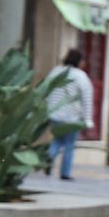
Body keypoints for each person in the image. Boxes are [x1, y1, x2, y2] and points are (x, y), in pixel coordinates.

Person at [44, 48, 94, 181]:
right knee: (69, 144)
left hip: (54, 114)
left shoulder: (56, 71)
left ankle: (49, 157)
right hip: (72, 117)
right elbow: (86, 99)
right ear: (79, 61)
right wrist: (88, 120)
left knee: (57, 139)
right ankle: (65, 173)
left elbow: (46, 89)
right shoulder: (81, 76)